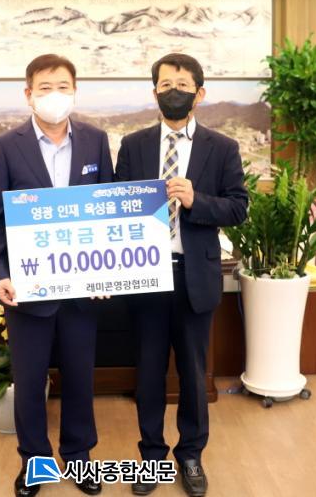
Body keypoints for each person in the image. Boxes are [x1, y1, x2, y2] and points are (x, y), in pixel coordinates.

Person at [115, 53, 248, 497]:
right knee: (149, 373)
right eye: (166, 84)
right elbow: (117, 206)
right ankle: (151, 458)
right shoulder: (133, 145)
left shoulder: (222, 148)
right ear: (154, 91)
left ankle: (191, 454)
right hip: (145, 277)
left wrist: (197, 200)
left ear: (200, 93)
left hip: (195, 277)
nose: (174, 91)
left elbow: (238, 207)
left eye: (183, 85)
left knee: (194, 375)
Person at [0, 54, 113, 497]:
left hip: (81, 289)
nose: (54, 95)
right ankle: (34, 463)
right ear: (28, 94)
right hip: (27, 289)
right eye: (44, 88)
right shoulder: (6, 146)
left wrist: (108, 272)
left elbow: (107, 210)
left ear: (74, 91)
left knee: (80, 378)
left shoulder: (96, 141)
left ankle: (79, 459)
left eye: (62, 87)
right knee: (30, 380)